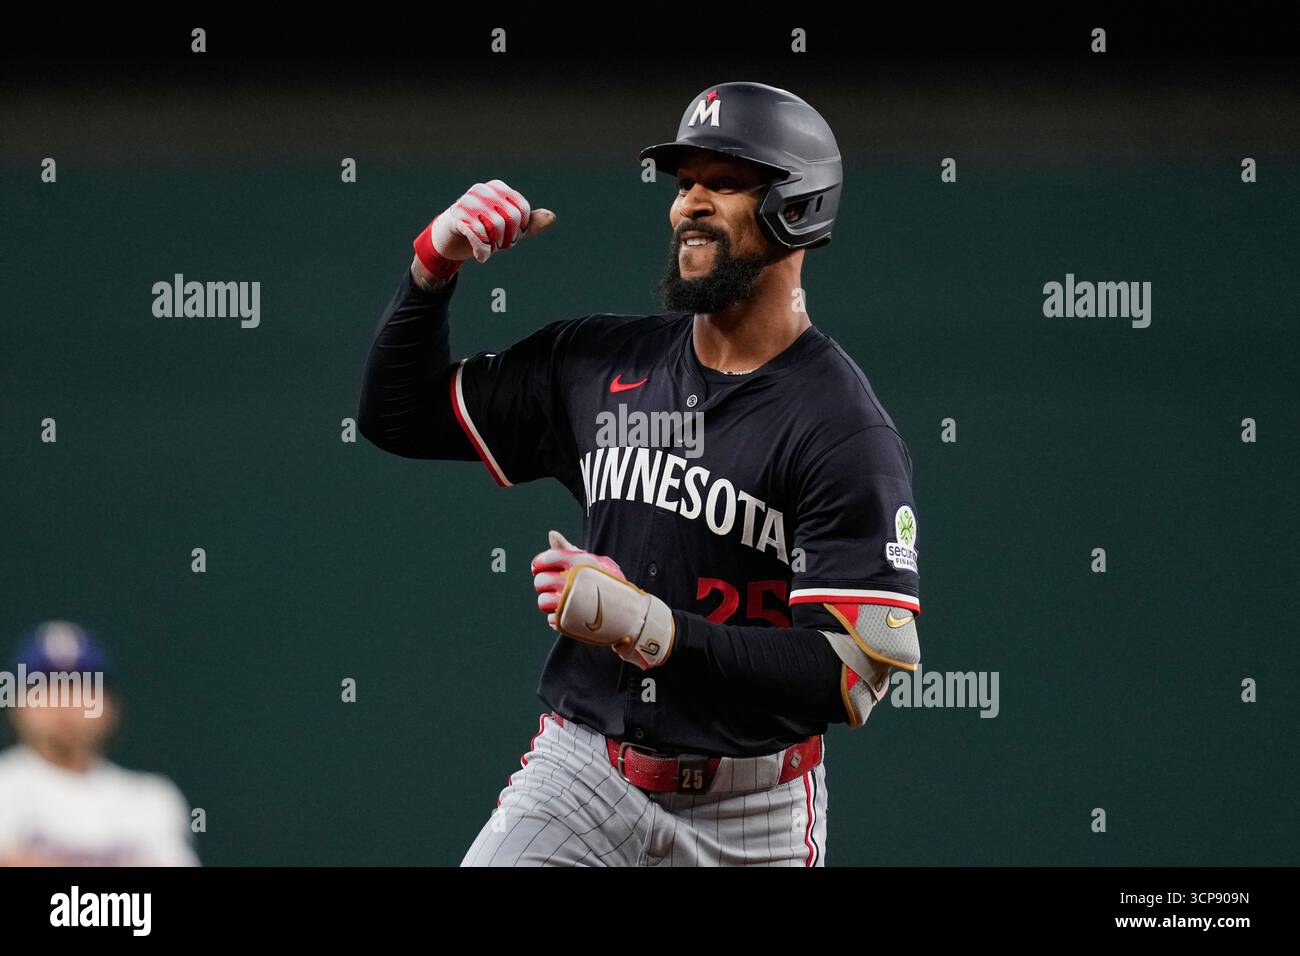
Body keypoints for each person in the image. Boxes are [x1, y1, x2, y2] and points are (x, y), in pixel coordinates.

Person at [358, 81, 922, 866]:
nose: (689, 203)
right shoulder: (597, 362)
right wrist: (431, 270)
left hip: (753, 809)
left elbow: (848, 675)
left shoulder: (841, 427)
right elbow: (398, 416)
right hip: (585, 776)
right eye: (684, 181)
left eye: (723, 183)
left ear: (797, 207)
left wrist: (653, 628)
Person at [0, 621, 199, 866]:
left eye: (80, 687)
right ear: (16, 706)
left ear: (111, 707)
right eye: (45, 687)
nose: (64, 703)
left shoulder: (152, 800)